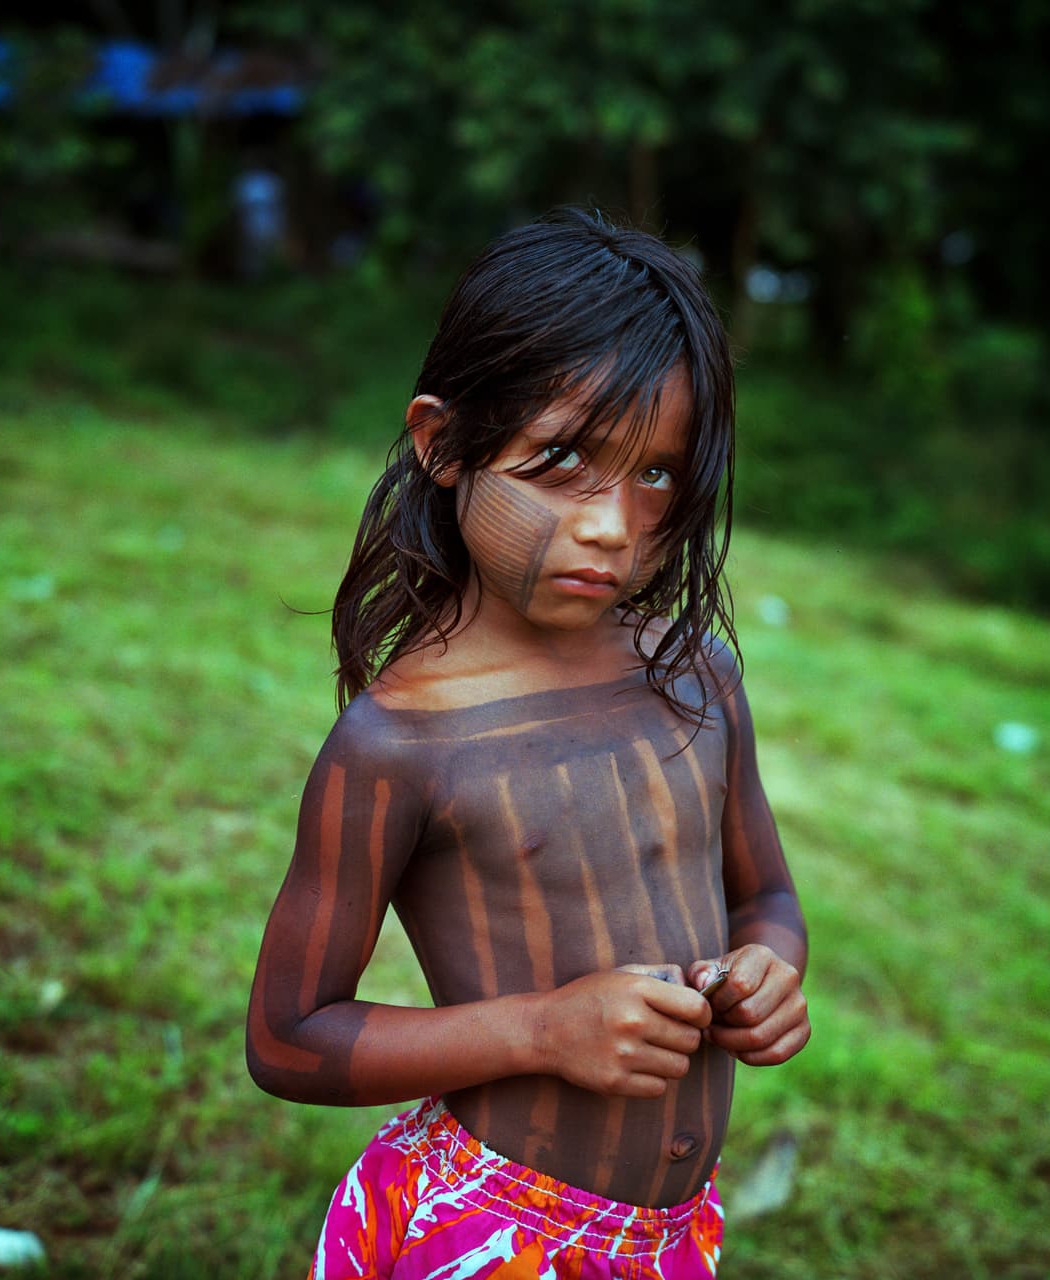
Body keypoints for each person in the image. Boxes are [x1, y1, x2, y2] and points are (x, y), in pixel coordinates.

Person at [246, 208, 811, 1279]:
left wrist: (768, 968)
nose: (611, 524)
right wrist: (542, 1031)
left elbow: (766, 899)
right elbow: (285, 1036)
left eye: (655, 475)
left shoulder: (696, 677)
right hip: (486, 1231)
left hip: (666, 1238)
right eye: (562, 460)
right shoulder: (400, 741)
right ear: (443, 443)